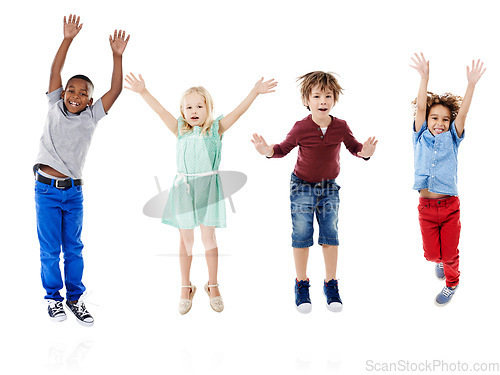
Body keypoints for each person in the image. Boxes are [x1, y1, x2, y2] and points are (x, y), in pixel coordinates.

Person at [125, 73, 277, 314]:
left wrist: (255, 92)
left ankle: (213, 285)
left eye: (199, 106)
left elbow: (238, 112)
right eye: (188, 107)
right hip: (184, 190)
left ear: (209, 109)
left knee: (209, 240)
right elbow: (160, 111)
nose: (194, 110)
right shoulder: (180, 130)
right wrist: (143, 91)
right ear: (183, 111)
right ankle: (186, 286)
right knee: (186, 241)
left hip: (209, 190)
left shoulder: (216, 130)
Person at [251, 71, 377, 313]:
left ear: (334, 99)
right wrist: (266, 150)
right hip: (302, 186)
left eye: (327, 96)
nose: (322, 101)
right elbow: (282, 149)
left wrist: (366, 151)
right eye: (317, 96)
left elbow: (355, 148)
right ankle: (301, 283)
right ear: (307, 100)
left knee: (330, 233)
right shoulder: (301, 128)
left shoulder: (340, 126)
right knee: (301, 233)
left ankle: (331, 283)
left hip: (329, 187)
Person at [34, 14, 129, 325]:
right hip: (46, 190)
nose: (75, 95)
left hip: (74, 193)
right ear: (63, 93)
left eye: (83, 93)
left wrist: (117, 56)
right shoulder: (53, 105)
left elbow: (115, 90)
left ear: (90, 100)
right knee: (50, 250)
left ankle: (75, 298)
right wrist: (68, 39)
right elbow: (54, 70)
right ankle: (53, 298)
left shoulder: (91, 117)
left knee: (74, 248)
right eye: (71, 90)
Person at [410, 53, 485, 306]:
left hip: (450, 207)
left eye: (444, 119)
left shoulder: (453, 138)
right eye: (435, 118)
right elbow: (421, 107)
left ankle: (452, 283)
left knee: (451, 254)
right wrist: (424, 78)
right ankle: (441, 260)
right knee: (432, 255)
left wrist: (471, 85)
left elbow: (462, 114)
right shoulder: (420, 136)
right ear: (427, 121)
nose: (439, 123)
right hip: (427, 209)